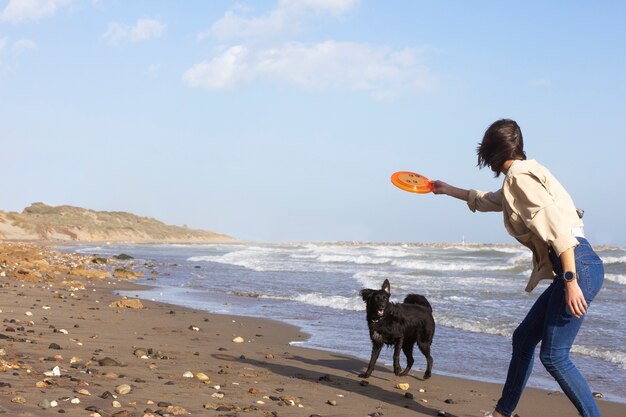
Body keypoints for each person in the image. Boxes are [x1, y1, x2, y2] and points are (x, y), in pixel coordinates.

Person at [431, 119, 604, 417]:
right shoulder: (523, 175)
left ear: (492, 152)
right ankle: (503, 413)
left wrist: (571, 280)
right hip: (577, 263)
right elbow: (490, 200)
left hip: (576, 265)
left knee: (555, 356)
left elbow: (558, 228)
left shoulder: (520, 179)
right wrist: (448, 190)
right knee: (523, 339)